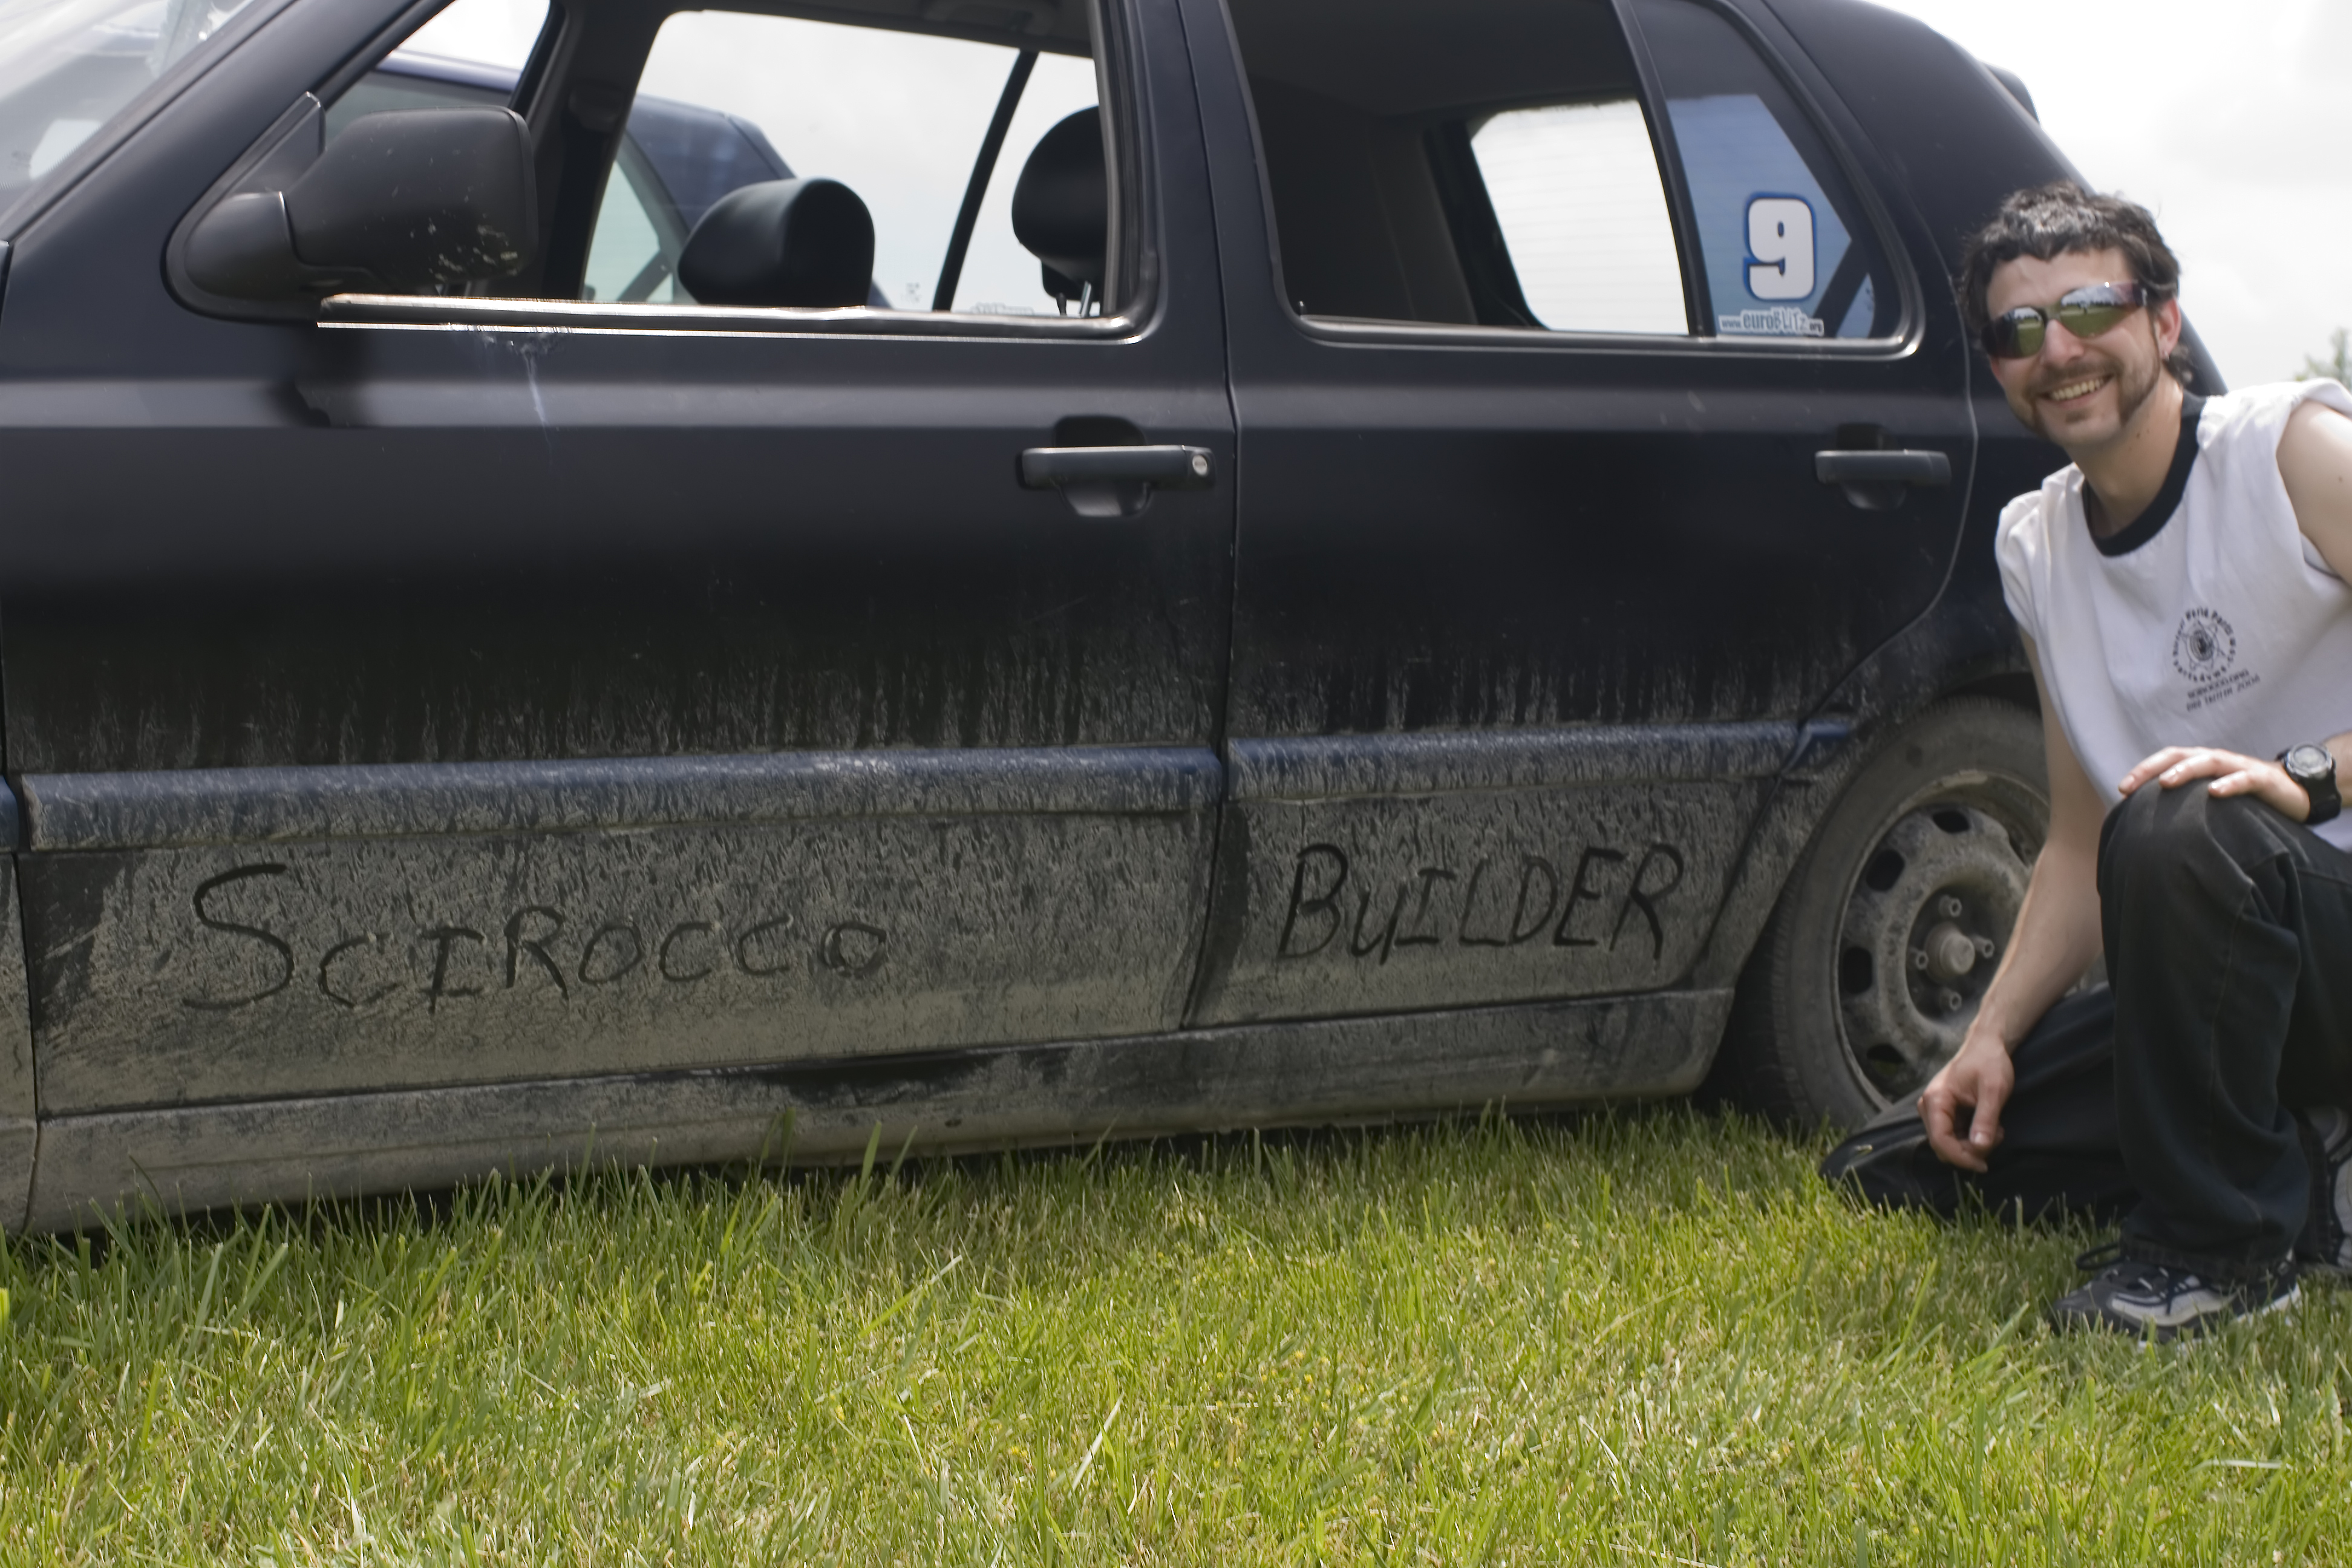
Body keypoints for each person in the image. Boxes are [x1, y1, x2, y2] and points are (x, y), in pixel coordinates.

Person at [1821, 180, 2352, 1339]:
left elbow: (2162, 828)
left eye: (2091, 310)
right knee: (1906, 1157)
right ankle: (2318, 1163)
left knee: (2181, 819)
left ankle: (2221, 1257)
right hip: (2224, 966)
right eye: (2019, 330)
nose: (2058, 350)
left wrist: (2311, 777)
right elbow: (2074, 844)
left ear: (2164, 321)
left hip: (2330, 921)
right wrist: (1989, 1039)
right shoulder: (2038, 547)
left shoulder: (2291, 452)